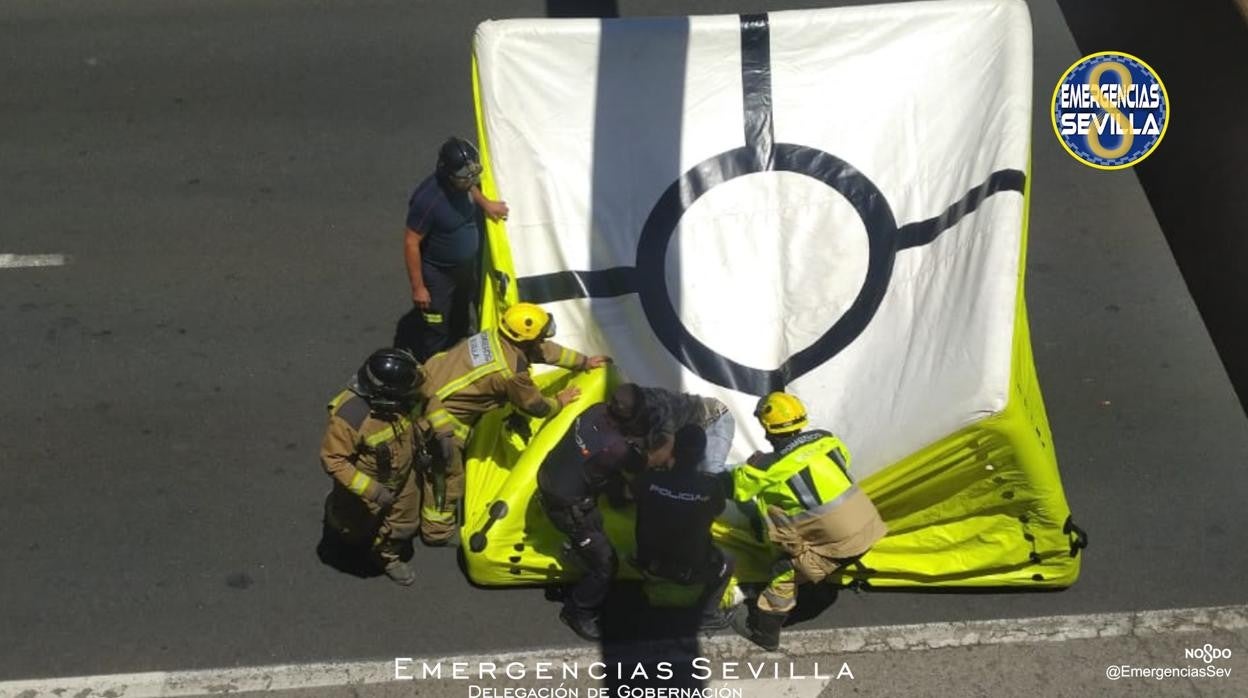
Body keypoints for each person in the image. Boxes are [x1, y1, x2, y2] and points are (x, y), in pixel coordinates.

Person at [419, 302, 612, 544]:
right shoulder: (511, 372)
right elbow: (537, 407)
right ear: (524, 340)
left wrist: (583, 362)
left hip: (430, 380)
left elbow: (544, 350)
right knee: (447, 477)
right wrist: (559, 402)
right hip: (441, 420)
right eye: (540, 334)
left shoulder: (495, 336)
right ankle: (436, 530)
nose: (543, 338)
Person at [728, 392, 887, 650]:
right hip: (872, 527)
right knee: (804, 513)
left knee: (783, 571)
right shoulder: (827, 439)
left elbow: (737, 489)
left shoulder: (767, 466)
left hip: (842, 544)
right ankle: (816, 581)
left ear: (767, 429)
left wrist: (751, 466)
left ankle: (763, 632)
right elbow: (840, 463)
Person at [320, 348, 451, 585]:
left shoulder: (410, 377)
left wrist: (443, 431)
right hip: (367, 485)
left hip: (405, 476)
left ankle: (387, 557)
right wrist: (373, 490)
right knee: (350, 528)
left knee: (404, 523)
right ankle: (336, 525)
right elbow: (334, 459)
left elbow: (429, 396)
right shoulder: (350, 417)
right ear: (386, 396)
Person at [536, 385, 648, 641]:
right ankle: (578, 610)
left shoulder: (594, 410)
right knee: (606, 565)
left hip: (550, 479)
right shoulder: (616, 449)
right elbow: (641, 464)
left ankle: (577, 552)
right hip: (567, 507)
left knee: (606, 499)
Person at [394, 136, 509, 361]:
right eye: (464, 177)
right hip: (438, 273)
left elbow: (470, 187)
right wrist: (418, 287)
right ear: (447, 174)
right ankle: (433, 366)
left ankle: (460, 349)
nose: (470, 181)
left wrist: (485, 203)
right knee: (436, 323)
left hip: (464, 268)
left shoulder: (462, 183)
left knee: (461, 310)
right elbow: (411, 242)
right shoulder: (429, 201)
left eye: (474, 174)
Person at [632, 425, 734, 630]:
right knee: (728, 562)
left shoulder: (650, 478)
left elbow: (631, 495)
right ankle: (708, 615)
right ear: (702, 454)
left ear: (673, 450)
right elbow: (717, 510)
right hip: (690, 566)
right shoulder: (711, 485)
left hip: (648, 559)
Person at [611, 383, 735, 473]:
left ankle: (743, 472)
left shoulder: (659, 412)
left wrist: (639, 472)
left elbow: (663, 451)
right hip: (686, 430)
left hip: (714, 419)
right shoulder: (629, 398)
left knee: (710, 473)